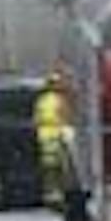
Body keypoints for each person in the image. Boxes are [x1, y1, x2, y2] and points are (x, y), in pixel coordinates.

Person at [33, 69, 72, 209]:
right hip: (58, 135)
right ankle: (58, 196)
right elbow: (66, 116)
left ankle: (50, 196)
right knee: (61, 170)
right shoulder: (60, 100)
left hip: (44, 136)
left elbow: (36, 119)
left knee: (49, 171)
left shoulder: (41, 100)